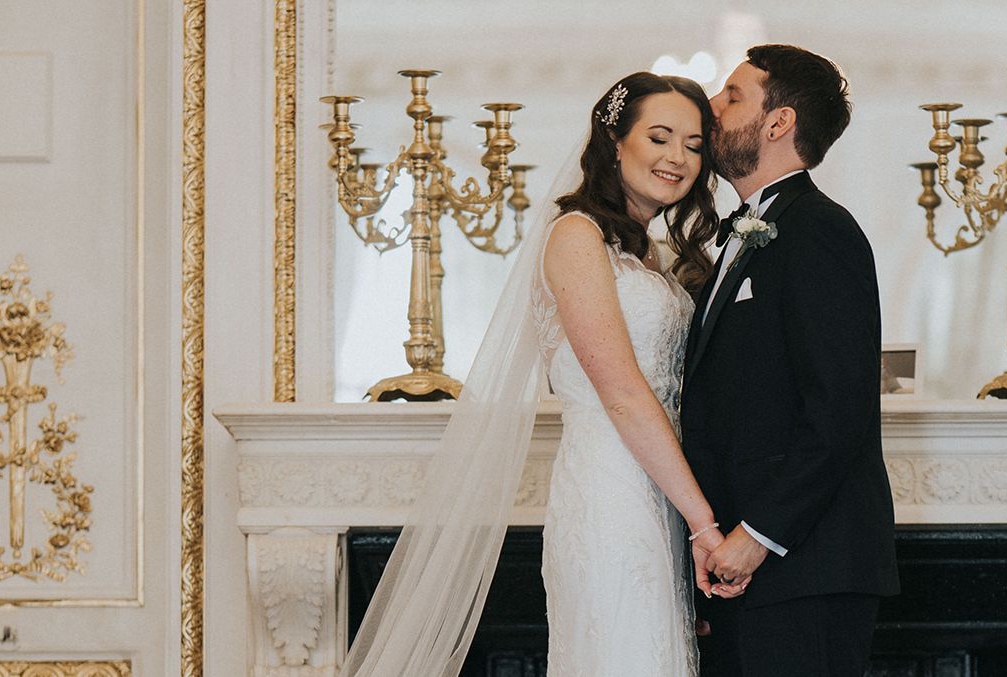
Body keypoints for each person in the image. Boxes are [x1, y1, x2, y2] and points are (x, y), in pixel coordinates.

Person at [341, 72, 739, 677]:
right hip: (610, 491)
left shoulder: (649, 254)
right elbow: (622, 393)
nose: (677, 158)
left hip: (660, 488)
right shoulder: (576, 235)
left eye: (693, 145)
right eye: (659, 138)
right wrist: (704, 524)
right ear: (615, 142)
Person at [686, 44, 901, 676]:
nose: (711, 106)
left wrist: (755, 538)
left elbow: (839, 410)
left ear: (778, 122)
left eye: (731, 96)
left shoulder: (820, 229)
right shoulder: (746, 229)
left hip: (805, 567)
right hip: (745, 571)